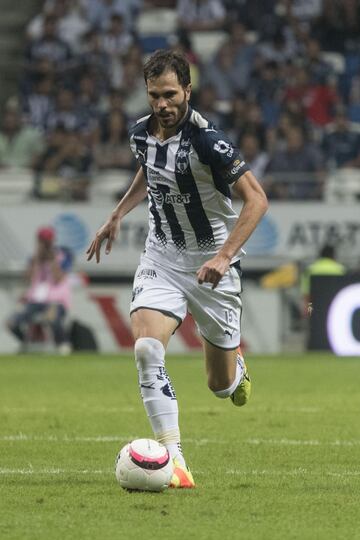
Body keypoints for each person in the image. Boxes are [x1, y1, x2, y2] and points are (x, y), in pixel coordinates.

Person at [87, 50, 268, 488]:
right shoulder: (140, 135)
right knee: (147, 350)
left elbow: (257, 199)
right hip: (161, 258)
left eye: (170, 94)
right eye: (154, 95)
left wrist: (223, 257)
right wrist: (117, 214)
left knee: (220, 387)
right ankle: (177, 461)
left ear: (187, 90)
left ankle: (235, 370)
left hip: (211, 266)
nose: (162, 104)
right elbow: (150, 172)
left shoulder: (209, 141)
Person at [6, 226, 73, 354]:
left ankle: (63, 344)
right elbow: (28, 278)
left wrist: (52, 259)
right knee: (11, 322)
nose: (45, 244)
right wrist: (37, 259)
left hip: (56, 300)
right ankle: (26, 343)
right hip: (35, 300)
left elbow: (58, 278)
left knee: (51, 317)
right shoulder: (34, 258)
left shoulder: (63, 255)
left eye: (47, 241)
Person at [300, 243, 346, 316]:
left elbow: (307, 296)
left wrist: (309, 311)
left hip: (316, 308)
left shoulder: (309, 270)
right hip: (335, 308)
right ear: (333, 256)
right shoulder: (341, 270)